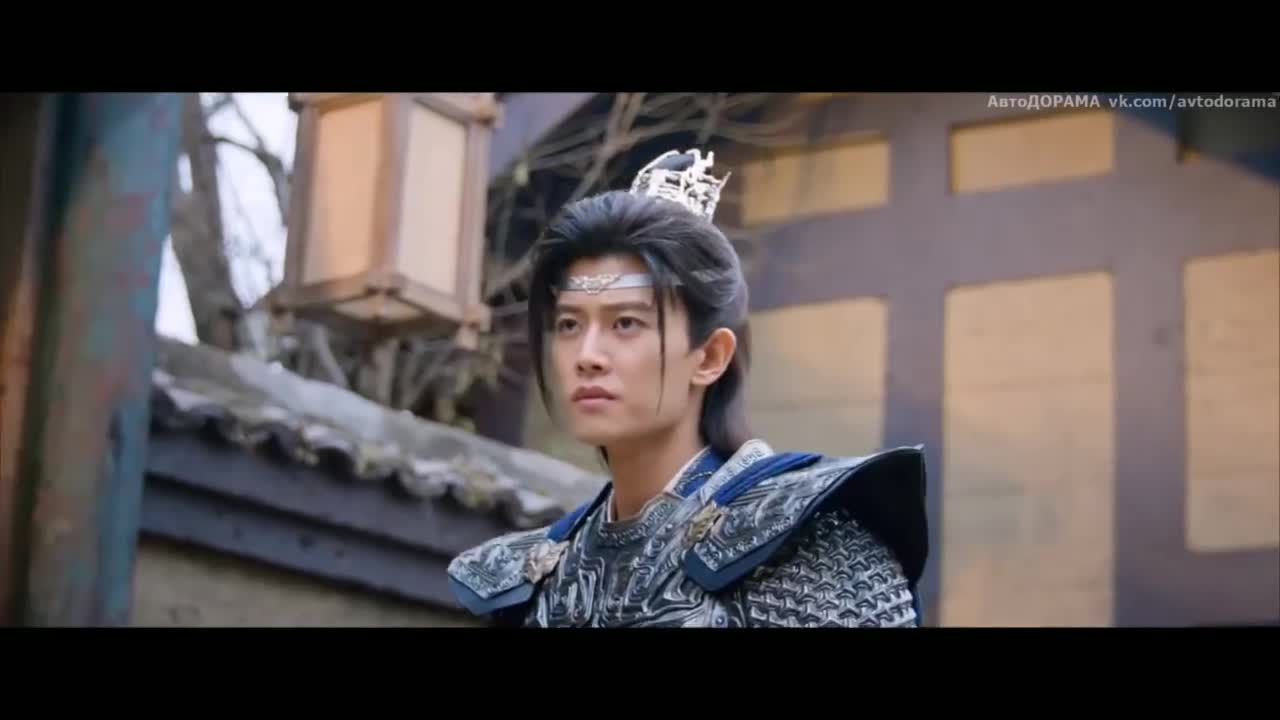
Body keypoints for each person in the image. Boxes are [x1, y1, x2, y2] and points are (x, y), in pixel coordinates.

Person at [447, 148, 928, 627]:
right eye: (569, 325)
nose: (587, 355)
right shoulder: (536, 583)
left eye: (626, 323)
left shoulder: (810, 546)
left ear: (711, 356)